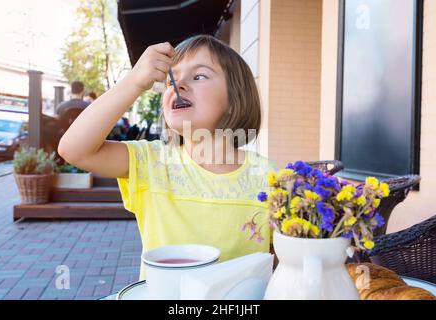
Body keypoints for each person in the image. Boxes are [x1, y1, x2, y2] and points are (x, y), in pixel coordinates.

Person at [58, 35, 279, 281]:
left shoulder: (270, 178)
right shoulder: (152, 162)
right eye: (172, 78)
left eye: (199, 76)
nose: (178, 84)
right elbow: (74, 149)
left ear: (234, 98)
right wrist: (134, 82)